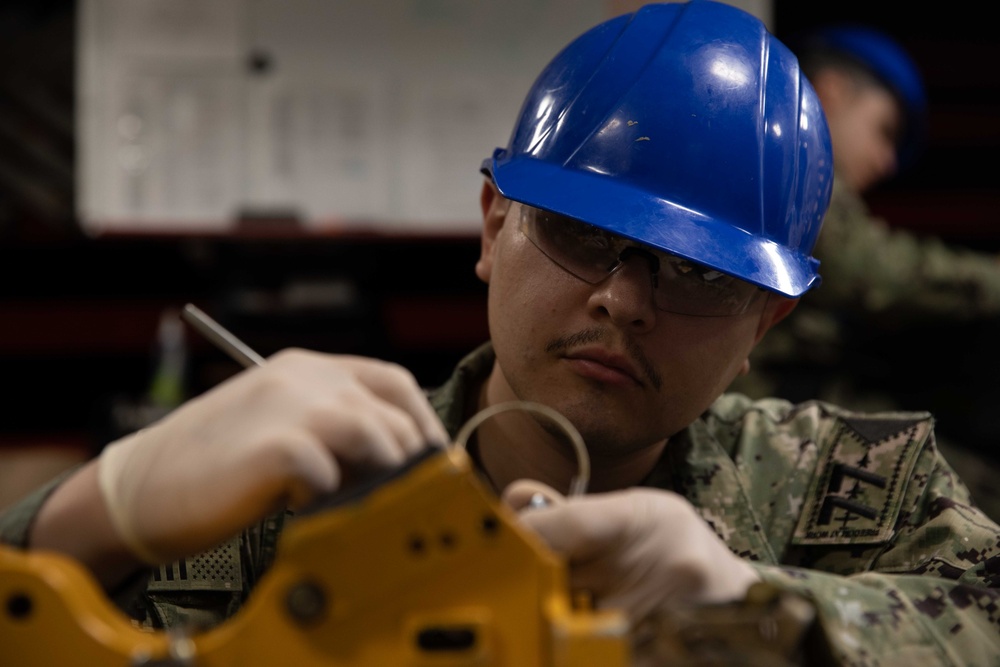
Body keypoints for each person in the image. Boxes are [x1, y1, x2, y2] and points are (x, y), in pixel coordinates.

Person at [2, 2, 998, 665]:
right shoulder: (278, 494)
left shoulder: (853, 492)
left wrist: (763, 608)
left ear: (764, 322)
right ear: (492, 226)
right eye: (577, 234)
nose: (622, 299)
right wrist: (84, 519)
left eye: (698, 272)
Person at [727, 24, 1000, 520]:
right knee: (962, 493)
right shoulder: (785, 157)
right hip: (756, 405)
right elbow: (875, 272)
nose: (888, 160)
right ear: (830, 92)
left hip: (783, 397)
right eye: (884, 131)